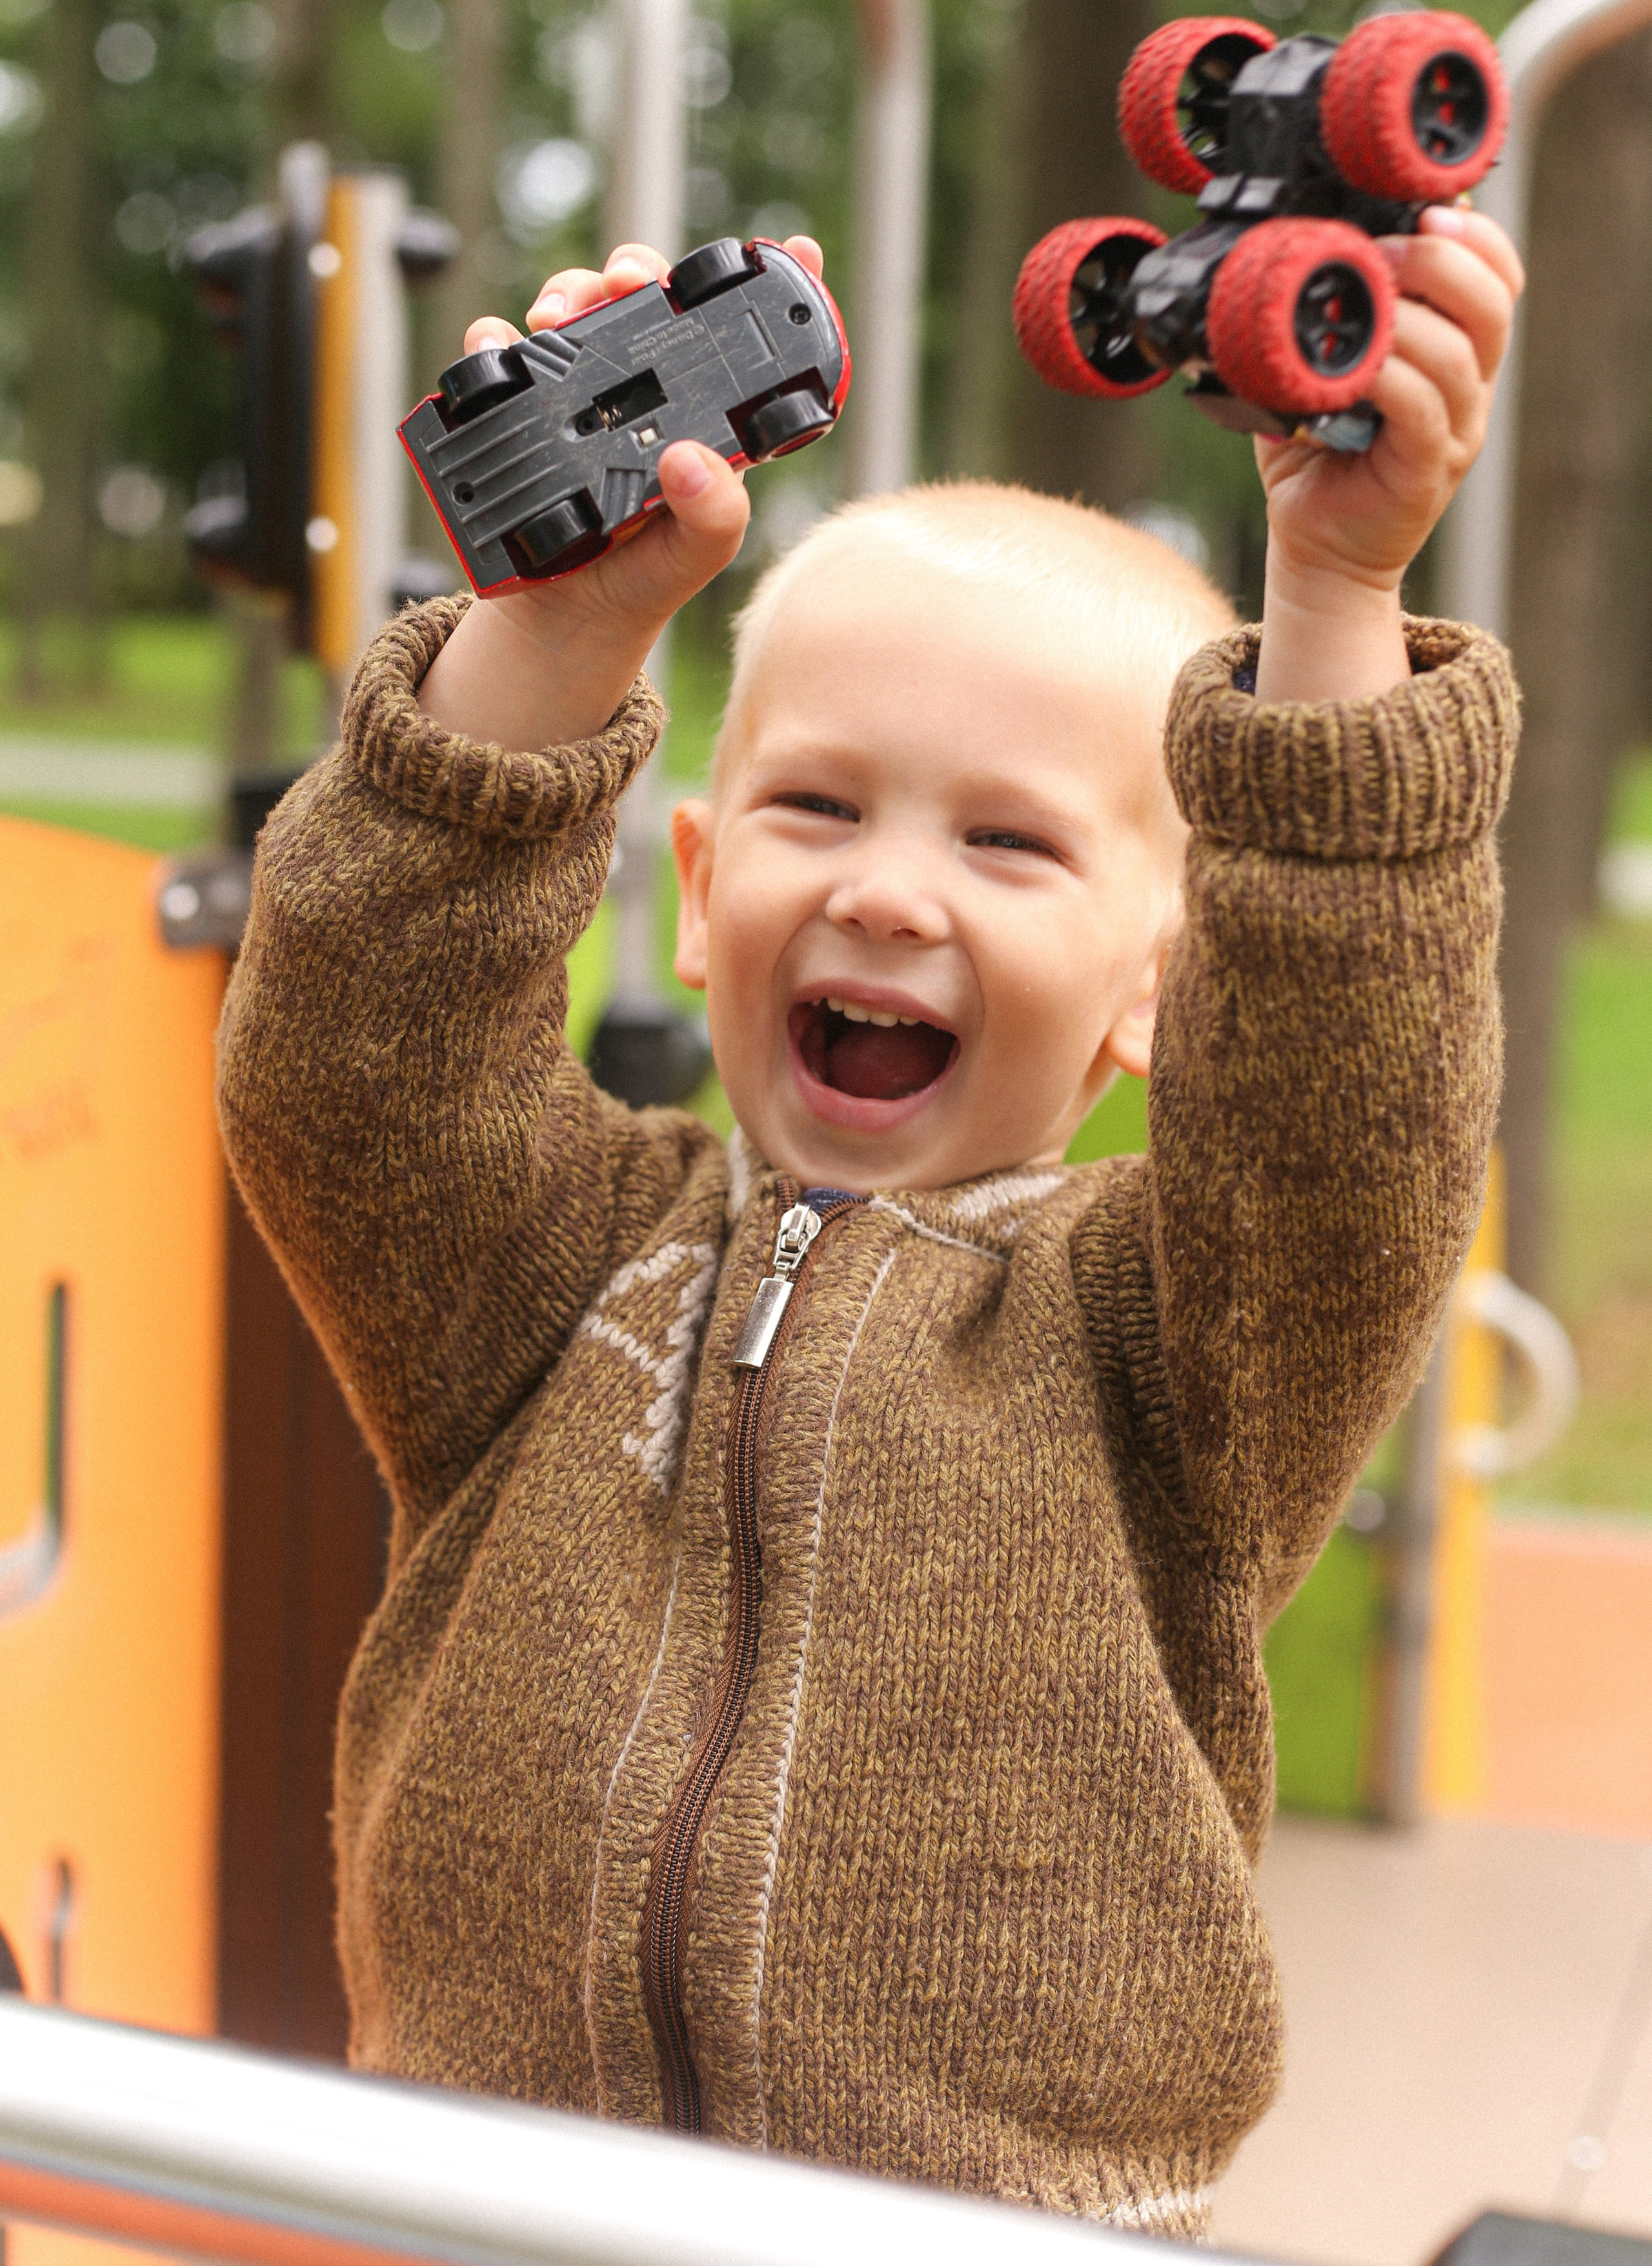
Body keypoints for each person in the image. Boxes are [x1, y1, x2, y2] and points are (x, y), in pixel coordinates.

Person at [217, 212, 1522, 2238]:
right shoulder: (559, 1274)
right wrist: (555, 639)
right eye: (822, 810)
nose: (893, 894)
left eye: (1006, 841)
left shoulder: (1171, 1345)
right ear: (704, 870)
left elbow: (1345, 1143)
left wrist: (1339, 600)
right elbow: (347, 1067)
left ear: (1166, 986)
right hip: (471, 2207)